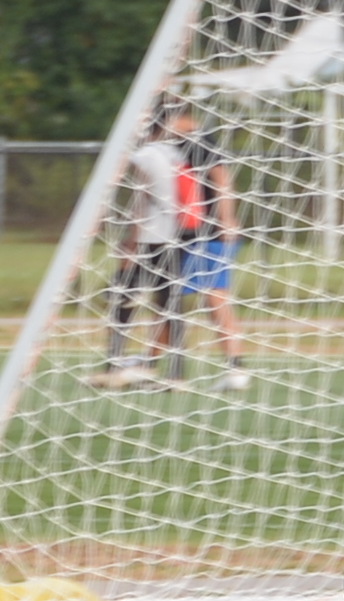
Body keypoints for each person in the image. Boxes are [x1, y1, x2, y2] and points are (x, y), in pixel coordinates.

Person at [96, 98, 239, 388]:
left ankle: (235, 367)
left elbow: (221, 180)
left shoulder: (198, 140)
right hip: (178, 233)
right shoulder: (174, 147)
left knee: (212, 296)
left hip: (206, 232)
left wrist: (226, 220)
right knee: (167, 299)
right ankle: (150, 364)